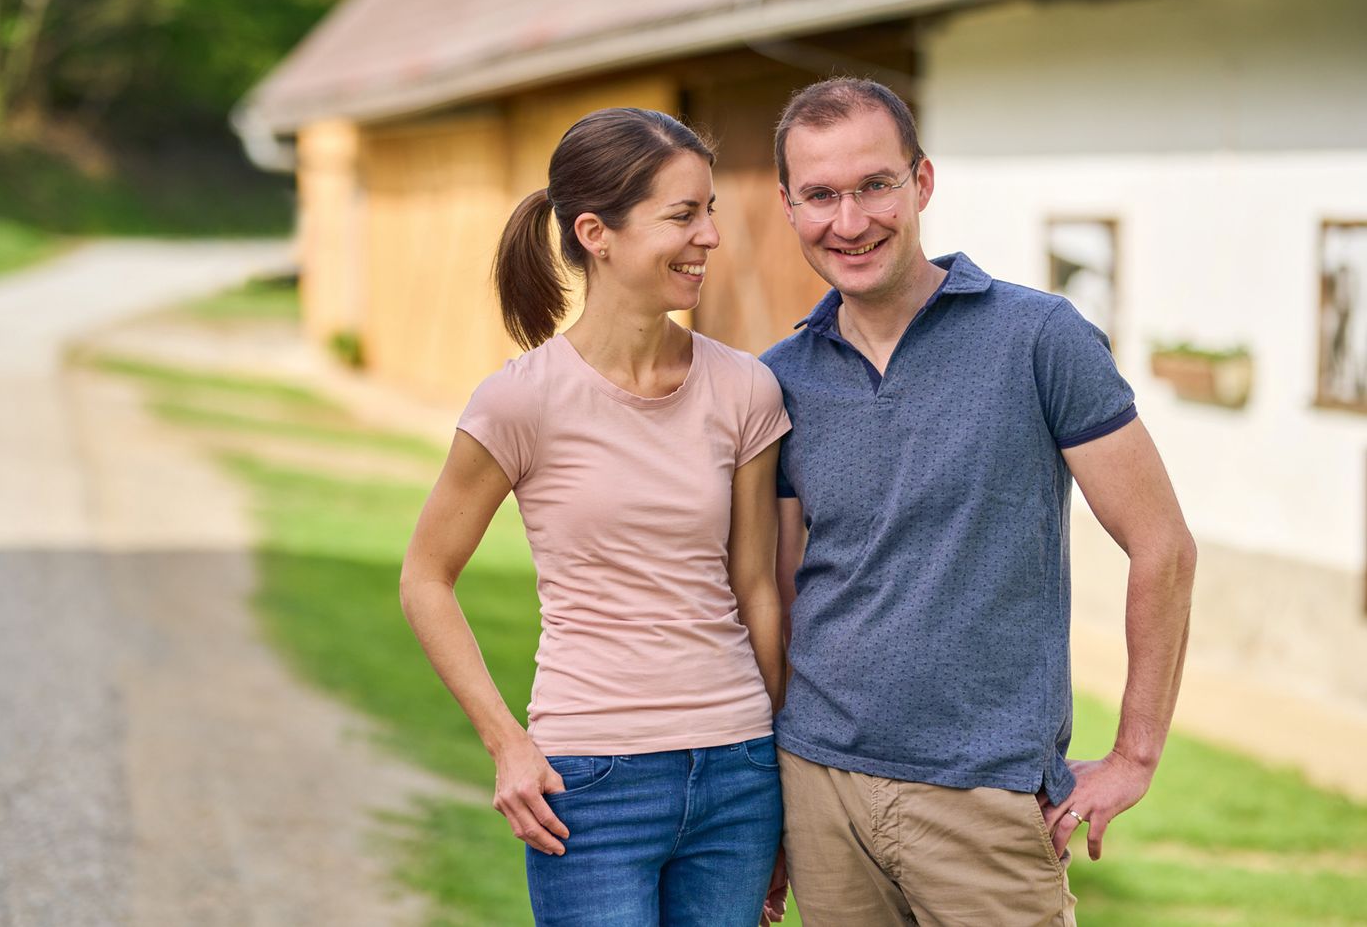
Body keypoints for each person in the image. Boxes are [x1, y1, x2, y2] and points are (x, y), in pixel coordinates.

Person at [761, 78, 1197, 925]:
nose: (849, 222)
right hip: (818, 788)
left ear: (921, 183)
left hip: (982, 799)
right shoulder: (781, 377)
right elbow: (777, 598)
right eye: (821, 195)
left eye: (875, 185)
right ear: (788, 205)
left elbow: (1164, 545)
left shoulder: (1039, 338)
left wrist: (1136, 753)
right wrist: (766, 800)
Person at [398, 108, 792, 927]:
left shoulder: (745, 388)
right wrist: (507, 739)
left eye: (710, 209)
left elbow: (757, 588)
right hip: (592, 781)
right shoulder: (520, 401)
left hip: (737, 771)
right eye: (684, 215)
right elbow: (425, 578)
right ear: (596, 233)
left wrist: (781, 769)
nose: (710, 235)